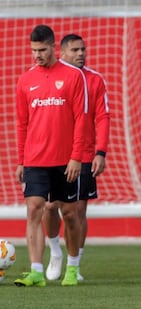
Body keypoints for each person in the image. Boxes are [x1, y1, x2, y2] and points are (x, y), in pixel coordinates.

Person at [14, 25, 88, 287]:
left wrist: (76, 156)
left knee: (69, 214)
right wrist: (21, 160)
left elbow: (82, 119)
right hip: (35, 160)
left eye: (42, 50)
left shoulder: (73, 76)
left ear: (53, 47)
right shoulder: (25, 80)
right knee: (34, 209)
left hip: (66, 160)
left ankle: (72, 267)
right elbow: (22, 123)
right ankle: (35, 270)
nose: (37, 55)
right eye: (34, 50)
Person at [43, 33, 110, 282]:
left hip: (82, 155)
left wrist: (100, 152)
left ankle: (75, 264)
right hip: (51, 154)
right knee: (49, 207)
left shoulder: (94, 80)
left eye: (83, 49)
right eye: (75, 50)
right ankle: (54, 251)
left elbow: (102, 118)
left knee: (78, 210)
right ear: (61, 53)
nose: (81, 54)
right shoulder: (48, 76)